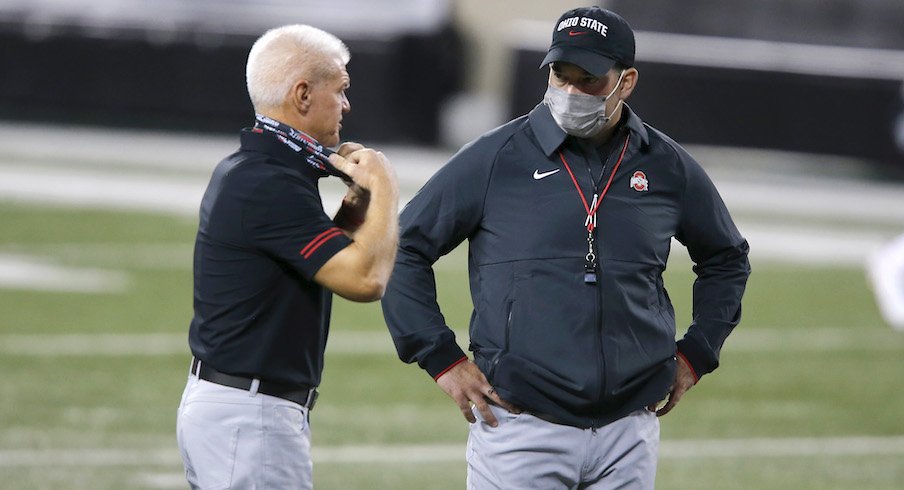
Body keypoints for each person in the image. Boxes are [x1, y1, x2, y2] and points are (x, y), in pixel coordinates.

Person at [381, 6, 750, 489]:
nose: (571, 91)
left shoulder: (665, 165)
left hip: (628, 431)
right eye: (560, 74)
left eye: (589, 79)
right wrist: (440, 358)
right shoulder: (496, 157)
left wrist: (698, 352)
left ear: (627, 81)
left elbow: (725, 258)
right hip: (519, 427)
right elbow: (399, 248)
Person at [176, 24, 399, 489]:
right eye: (340, 90)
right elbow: (366, 280)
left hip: (234, 408)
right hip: (251, 415)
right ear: (302, 94)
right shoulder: (269, 184)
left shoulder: (255, 168)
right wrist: (385, 188)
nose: (346, 105)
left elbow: (313, 262)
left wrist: (356, 205)